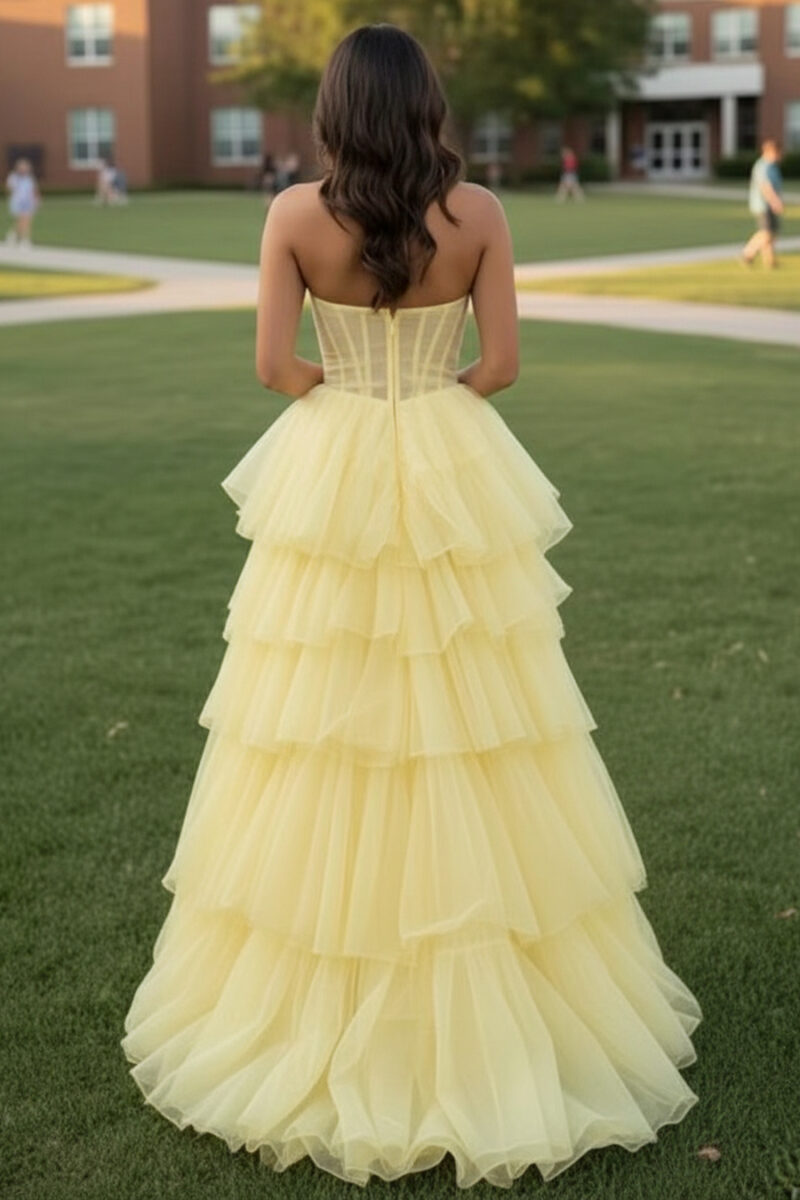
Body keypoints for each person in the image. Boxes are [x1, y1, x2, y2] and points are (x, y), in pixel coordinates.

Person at [122, 23, 702, 1189]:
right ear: (427, 103)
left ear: (333, 107)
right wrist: (426, 394)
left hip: (333, 456)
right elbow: (501, 367)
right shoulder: (477, 212)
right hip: (447, 450)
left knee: (318, 702)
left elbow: (273, 369)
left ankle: (323, 981)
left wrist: (350, 396)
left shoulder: (293, 215)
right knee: (479, 696)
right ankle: (488, 971)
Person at [741, 138, 784, 269]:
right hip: (763, 204)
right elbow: (766, 187)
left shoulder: (773, 167)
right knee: (766, 232)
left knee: (771, 233)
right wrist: (775, 201)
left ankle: (770, 260)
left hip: (768, 204)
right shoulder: (763, 167)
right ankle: (747, 253)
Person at [5, 157, 40, 247]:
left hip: (28, 202)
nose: (24, 169)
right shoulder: (13, 177)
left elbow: (34, 190)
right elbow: (10, 188)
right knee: (21, 220)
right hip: (17, 202)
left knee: (27, 220)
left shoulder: (30, 178)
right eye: (22, 167)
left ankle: (18, 238)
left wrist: (36, 199)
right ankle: (20, 238)